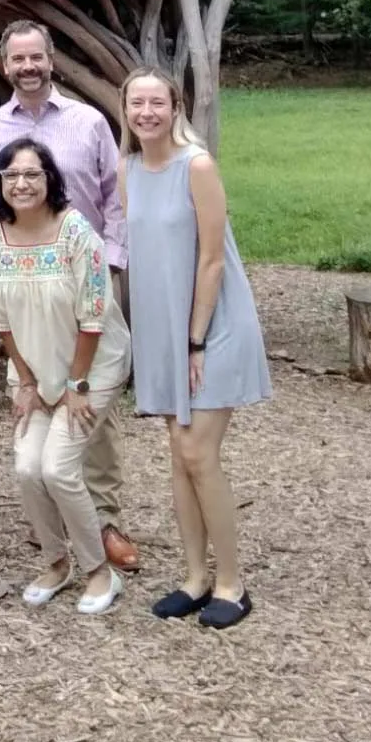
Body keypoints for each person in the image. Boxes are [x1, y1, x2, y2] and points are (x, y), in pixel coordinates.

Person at [0, 20, 139, 572]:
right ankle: (57, 524)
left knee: (93, 411)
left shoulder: (88, 123)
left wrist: (108, 260)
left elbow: (116, 197)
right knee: (40, 393)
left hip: (85, 280)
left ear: (52, 59)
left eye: (37, 57)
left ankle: (103, 520)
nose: (28, 67)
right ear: (4, 65)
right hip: (29, 286)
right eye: (18, 59)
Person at [120, 67, 271, 630]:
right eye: (137, 103)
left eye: (157, 102)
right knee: (178, 457)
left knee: (198, 453)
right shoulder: (129, 169)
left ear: (175, 105)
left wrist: (196, 340)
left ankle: (232, 582)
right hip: (164, 329)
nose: (147, 113)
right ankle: (193, 577)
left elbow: (211, 258)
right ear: (126, 110)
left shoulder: (197, 166)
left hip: (213, 325)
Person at [0, 139, 130, 613]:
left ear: (50, 180)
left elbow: (93, 318)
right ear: (0, 183)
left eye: (32, 174)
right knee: (27, 467)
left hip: (91, 367)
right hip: (34, 366)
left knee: (59, 468)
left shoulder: (76, 233)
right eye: (11, 175)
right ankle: (56, 562)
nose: (21, 184)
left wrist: (75, 386)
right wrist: (25, 382)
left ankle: (99, 572)